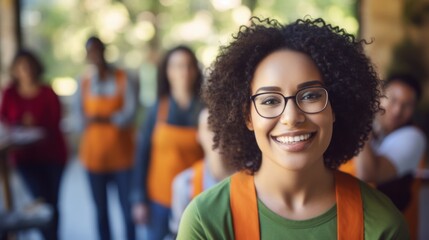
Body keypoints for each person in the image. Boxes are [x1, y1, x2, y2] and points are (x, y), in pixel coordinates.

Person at [177, 17, 409, 239]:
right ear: (248, 117)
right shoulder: (207, 221)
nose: (291, 117)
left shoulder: (381, 224)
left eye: (310, 96)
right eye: (269, 100)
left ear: (334, 107)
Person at [131, 45, 204, 240]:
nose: (184, 72)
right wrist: (139, 200)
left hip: (196, 199)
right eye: (178, 66)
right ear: (167, 71)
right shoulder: (157, 109)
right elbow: (142, 154)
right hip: (159, 201)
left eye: (189, 66)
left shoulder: (206, 112)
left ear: (196, 70)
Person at [74, 36, 137, 240]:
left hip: (123, 158)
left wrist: (101, 118)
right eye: (90, 51)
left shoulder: (122, 78)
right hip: (94, 159)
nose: (95, 55)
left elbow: (129, 113)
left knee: (128, 210)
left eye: (98, 50)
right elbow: (78, 119)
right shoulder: (83, 83)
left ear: (104, 51)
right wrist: (109, 118)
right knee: (101, 211)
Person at [0, 50, 67, 240]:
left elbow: (55, 123)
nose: (26, 71)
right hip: (25, 158)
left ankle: (53, 235)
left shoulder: (47, 92)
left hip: (52, 155)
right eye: (21, 66)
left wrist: (34, 128)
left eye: (29, 66)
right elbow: (4, 121)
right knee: (40, 199)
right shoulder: (10, 93)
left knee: (52, 201)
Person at [355, 74, 426, 211]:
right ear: (380, 97)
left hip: (383, 221)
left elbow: (367, 175)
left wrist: (361, 122)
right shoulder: (374, 128)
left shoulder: (414, 138)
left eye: (407, 105)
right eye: (393, 99)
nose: (397, 110)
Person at [167, 108, 233, 239]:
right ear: (198, 135)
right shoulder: (184, 184)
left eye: (222, 127)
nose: (216, 135)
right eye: (209, 128)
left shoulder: (254, 178)